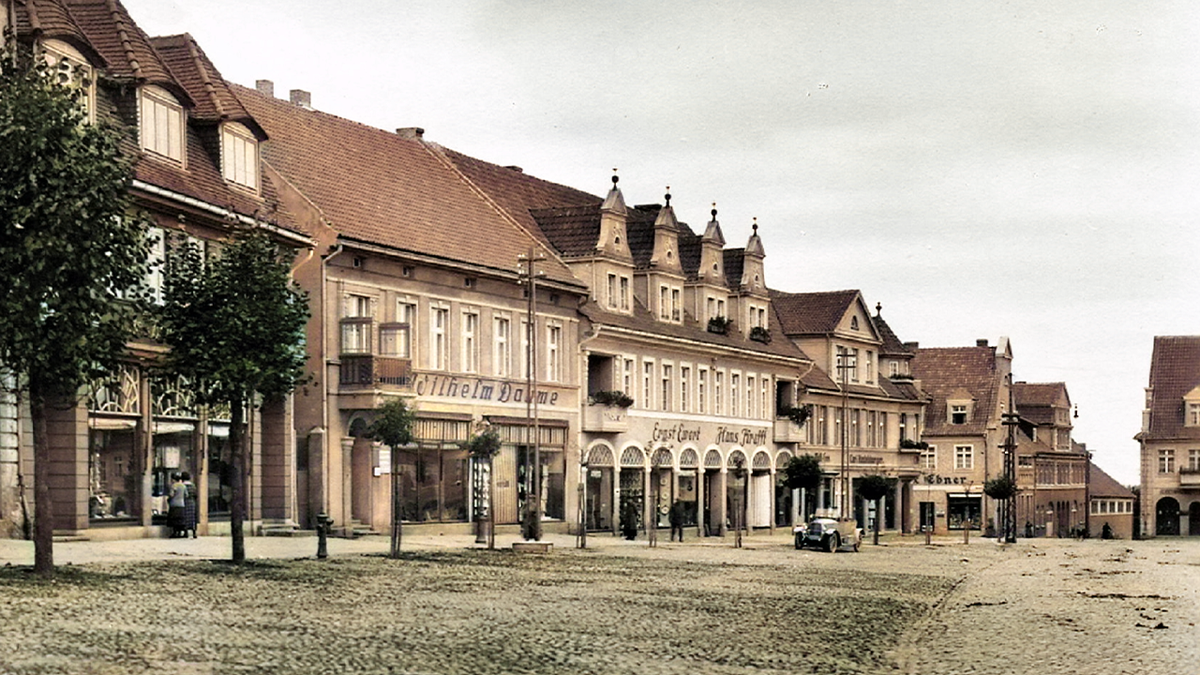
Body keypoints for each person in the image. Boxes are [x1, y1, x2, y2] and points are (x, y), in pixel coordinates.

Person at [168, 473, 187, 538]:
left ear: (174, 479)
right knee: (180, 519)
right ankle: (180, 532)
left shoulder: (174, 486)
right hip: (181, 504)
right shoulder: (183, 486)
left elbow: (171, 494)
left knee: (174, 519)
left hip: (174, 504)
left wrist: (169, 499)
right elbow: (186, 495)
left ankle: (175, 532)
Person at [181, 471, 198, 539]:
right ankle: (194, 532)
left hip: (185, 502)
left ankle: (186, 532)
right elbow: (195, 494)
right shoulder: (193, 486)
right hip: (192, 502)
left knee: (185, 517)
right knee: (192, 517)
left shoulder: (183, 485)